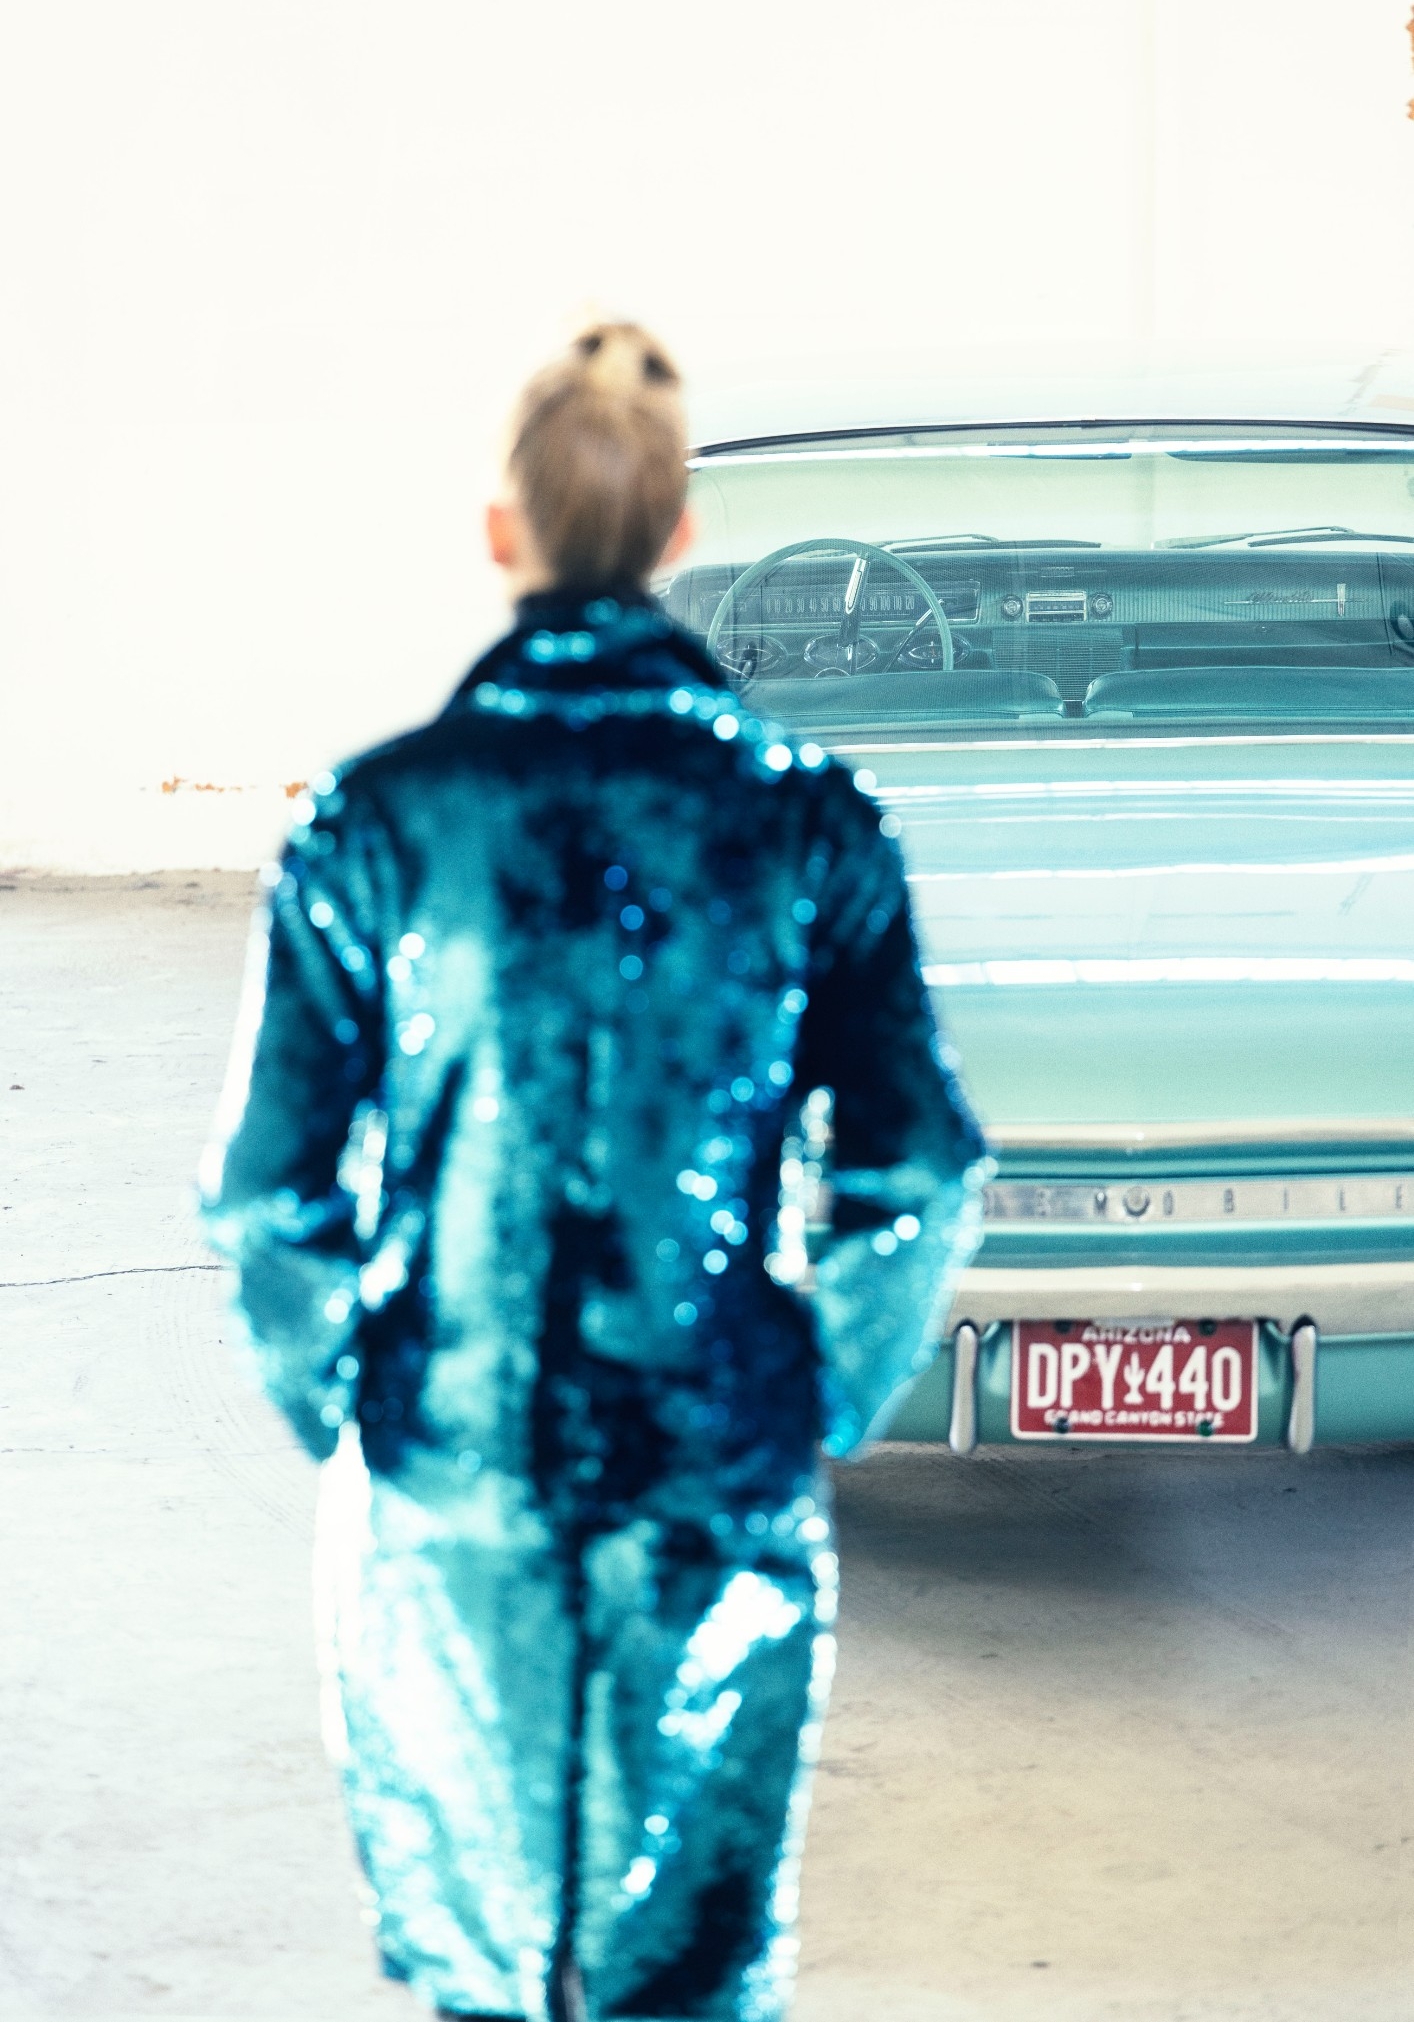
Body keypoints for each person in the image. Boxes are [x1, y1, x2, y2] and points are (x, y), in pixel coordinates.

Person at [200, 323, 988, 2022]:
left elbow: (269, 1192)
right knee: (687, 1968)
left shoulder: (376, 823)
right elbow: (917, 1165)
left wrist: (364, 1399)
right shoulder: (806, 819)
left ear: (503, 533)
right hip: (710, 1471)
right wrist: (807, 1389)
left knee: (484, 1968)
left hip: (450, 1474)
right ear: (677, 533)